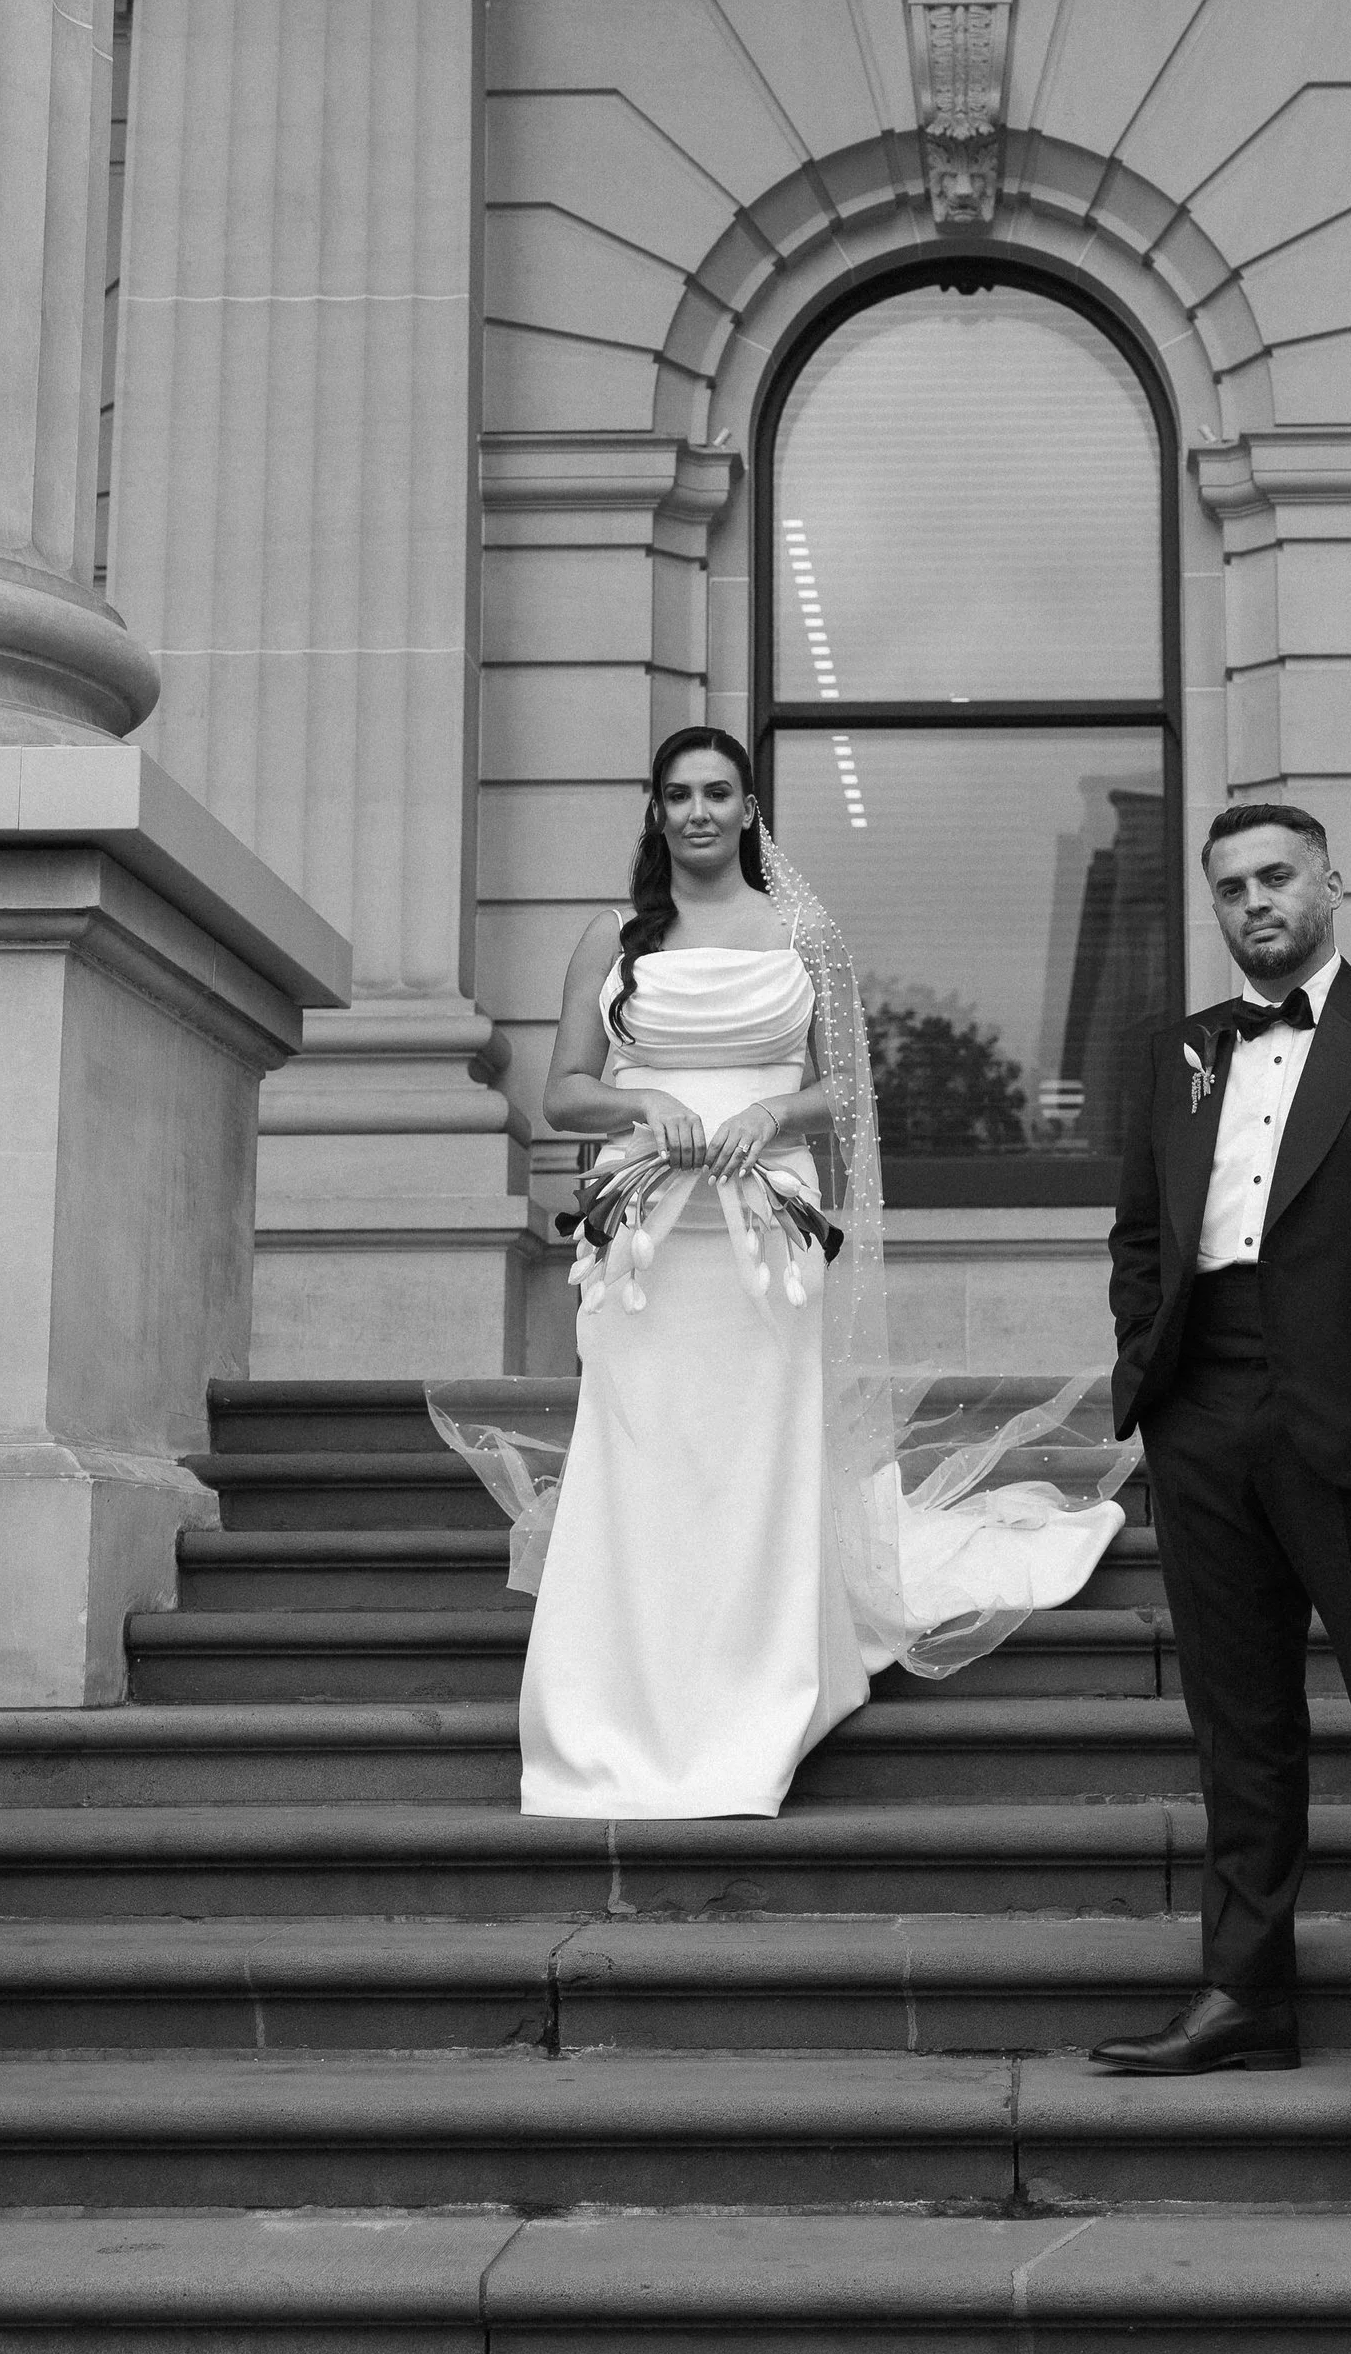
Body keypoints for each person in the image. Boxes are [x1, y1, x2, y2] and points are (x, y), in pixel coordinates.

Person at [439, 725, 1126, 1821]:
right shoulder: (609, 936)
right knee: (642, 1449)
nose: (698, 812)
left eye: (718, 793)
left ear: (749, 808)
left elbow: (847, 1091)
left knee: (759, 1452)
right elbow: (564, 1090)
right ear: (656, 810)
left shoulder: (804, 932)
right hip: (647, 1239)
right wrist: (642, 1099)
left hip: (766, 1232)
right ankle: (618, 1697)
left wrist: (770, 1110)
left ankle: (754, 1690)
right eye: (678, 795)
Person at [1094, 802, 1351, 2108]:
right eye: (1230, 887)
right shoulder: (1177, 1053)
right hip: (1203, 1413)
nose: (1255, 902)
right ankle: (1245, 1995)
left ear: (1332, 881)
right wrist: (1152, 1379)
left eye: (1276, 876)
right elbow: (1141, 1236)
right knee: (1240, 1726)